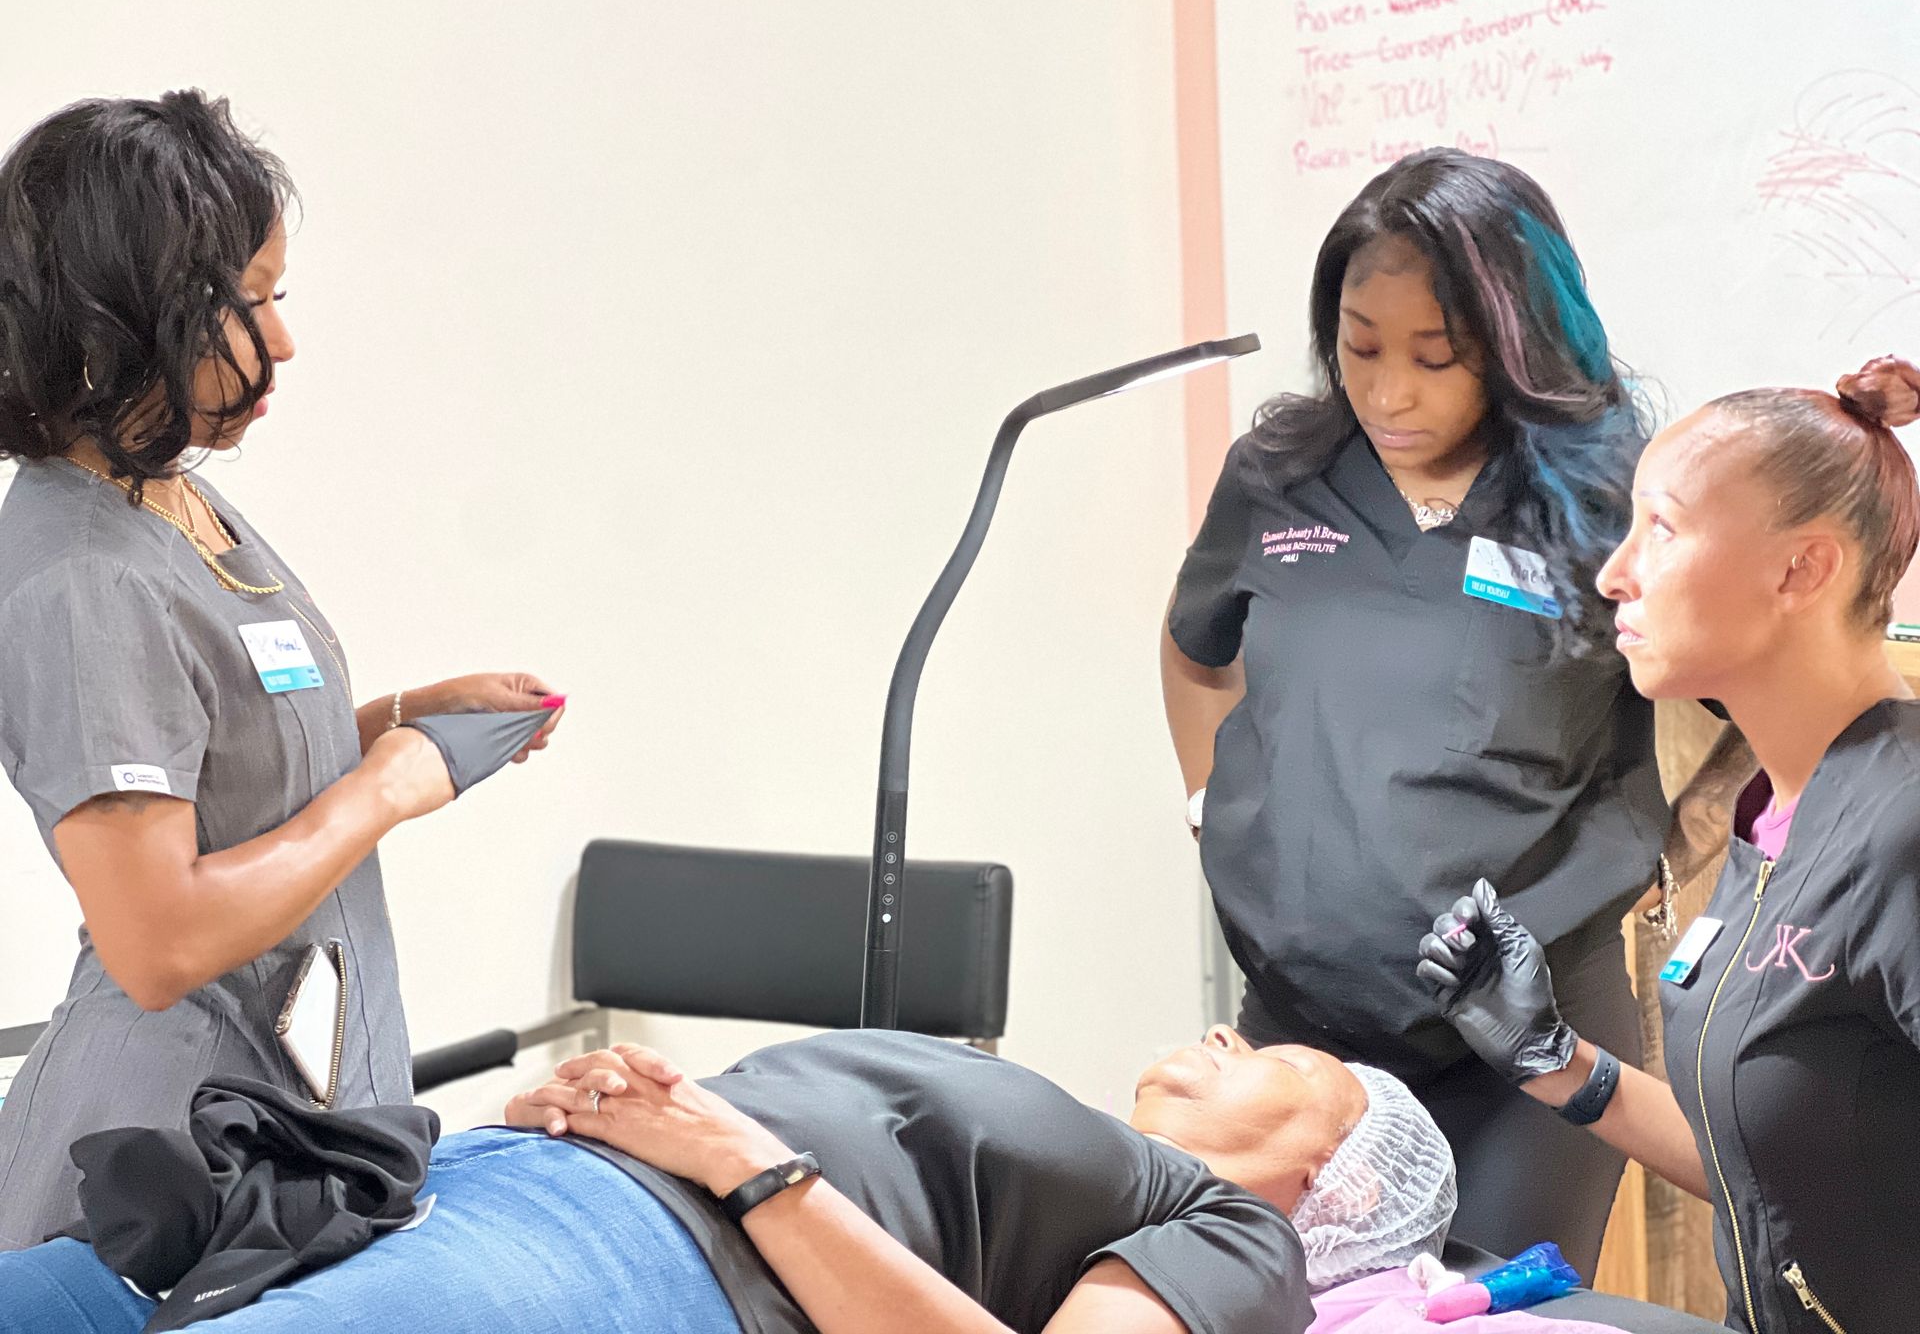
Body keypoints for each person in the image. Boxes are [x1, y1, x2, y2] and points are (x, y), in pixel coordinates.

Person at [0, 91, 564, 1251]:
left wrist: (409, 720)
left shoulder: (174, 495)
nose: (285, 341)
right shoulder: (81, 579)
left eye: (278, 297)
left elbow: (222, 787)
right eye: (247, 305)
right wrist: (389, 787)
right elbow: (158, 942)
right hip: (162, 1178)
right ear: (125, 315)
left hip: (288, 1130)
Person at [1162, 147, 1667, 1270]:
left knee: (1481, 1312)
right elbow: (1197, 648)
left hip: (1525, 1041)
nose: (1389, 392)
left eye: (1436, 358)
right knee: (1265, 1297)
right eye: (1360, 346)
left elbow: (1731, 682)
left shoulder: (1612, 494)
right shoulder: (1280, 472)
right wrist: (1214, 806)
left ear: (1516, 346)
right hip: (1299, 1030)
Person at [1419, 386, 1920, 1333]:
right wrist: (1550, 1057)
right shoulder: (1771, 819)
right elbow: (1775, 1162)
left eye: (1664, 531)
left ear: (1802, 569)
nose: (1616, 574)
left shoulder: (1904, 824)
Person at [0, 1027, 1456, 1333]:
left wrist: (749, 1171)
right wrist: (604, 1102)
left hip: (652, 1259)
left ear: (1337, 1167)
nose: (1219, 1032)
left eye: (1280, 1056)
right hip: (454, 1190)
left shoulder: (1229, 1240)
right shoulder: (1076, 1125)